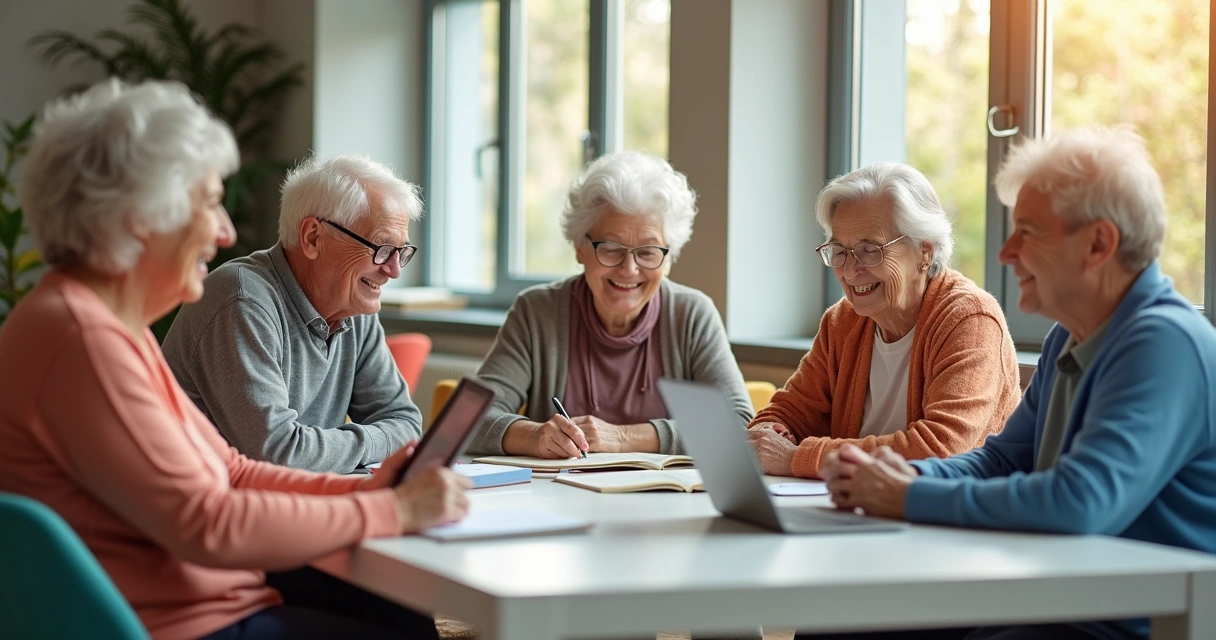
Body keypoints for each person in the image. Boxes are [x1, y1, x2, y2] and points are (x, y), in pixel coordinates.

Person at [0, 79, 471, 640]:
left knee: (401, 615)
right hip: (177, 625)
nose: (225, 231)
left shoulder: (111, 327)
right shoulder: (81, 336)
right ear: (137, 219)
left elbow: (233, 469)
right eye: (207, 202)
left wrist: (371, 491)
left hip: (214, 600)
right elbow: (209, 521)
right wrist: (392, 512)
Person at [821, 127, 1216, 640]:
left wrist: (908, 496)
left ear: (1098, 244)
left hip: (1125, 622)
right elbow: (1001, 458)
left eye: (1027, 232)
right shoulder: (1069, 337)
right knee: (848, 623)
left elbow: (1079, 503)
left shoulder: (1163, 343)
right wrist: (902, 475)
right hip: (1055, 597)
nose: (1006, 253)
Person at [466, 150, 751, 458]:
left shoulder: (692, 314)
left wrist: (624, 437)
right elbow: (470, 420)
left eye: (648, 251)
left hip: (668, 501)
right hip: (558, 500)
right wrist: (534, 435)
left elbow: (738, 425)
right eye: (611, 248)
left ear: (669, 256)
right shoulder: (537, 312)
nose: (629, 269)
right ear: (580, 247)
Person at [746, 163, 1020, 479]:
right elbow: (790, 411)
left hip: (946, 518)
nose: (849, 270)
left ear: (924, 252)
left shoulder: (970, 320)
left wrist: (797, 458)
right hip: (860, 509)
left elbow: (942, 449)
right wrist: (768, 434)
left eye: (869, 250)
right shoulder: (842, 322)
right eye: (839, 250)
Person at [162, 153, 425, 473]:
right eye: (382, 249)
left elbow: (407, 424)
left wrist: (331, 448)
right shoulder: (242, 302)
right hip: (213, 510)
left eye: (402, 252)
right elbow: (278, 454)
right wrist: (370, 443)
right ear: (313, 237)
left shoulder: (354, 307)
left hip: (293, 502)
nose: (394, 271)